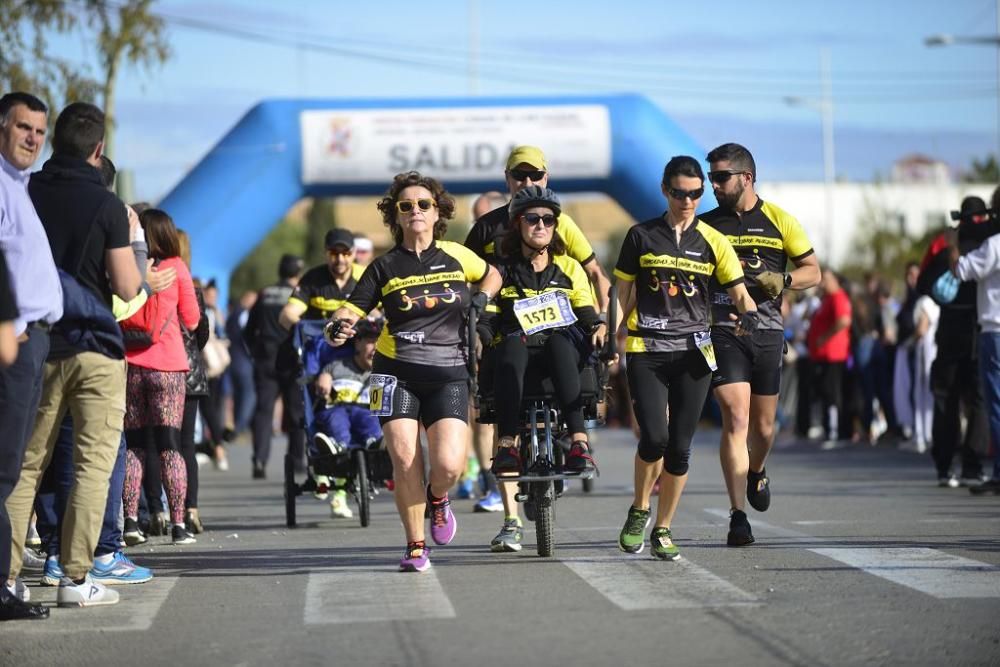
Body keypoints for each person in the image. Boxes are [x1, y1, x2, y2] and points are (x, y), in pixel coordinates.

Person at [326, 171, 500, 572]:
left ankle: (438, 499)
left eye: (423, 204)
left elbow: (493, 273)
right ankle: (415, 545)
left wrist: (483, 300)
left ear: (437, 211)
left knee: (449, 466)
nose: (415, 211)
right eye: (406, 206)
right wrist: (341, 325)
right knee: (404, 459)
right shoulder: (384, 267)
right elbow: (351, 308)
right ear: (396, 215)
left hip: (449, 371)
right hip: (393, 372)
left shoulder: (457, 255)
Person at [7, 101, 142, 609]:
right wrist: (132, 245)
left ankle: (9, 573)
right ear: (98, 149)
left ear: (53, 140)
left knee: (25, 463)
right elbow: (127, 284)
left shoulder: (26, 190)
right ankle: (76, 577)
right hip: (95, 348)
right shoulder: (106, 204)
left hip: (36, 342)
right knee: (92, 464)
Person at [614, 156, 758, 561]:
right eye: (680, 193)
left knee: (679, 447)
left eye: (696, 193)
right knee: (654, 438)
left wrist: (749, 314)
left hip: (695, 352)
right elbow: (621, 292)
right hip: (646, 349)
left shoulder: (714, 241)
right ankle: (640, 509)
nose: (689, 200)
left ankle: (663, 527)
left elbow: (739, 293)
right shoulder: (640, 236)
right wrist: (611, 333)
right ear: (665, 190)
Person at [465, 146, 612, 530]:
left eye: (548, 220)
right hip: (516, 345)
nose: (541, 226)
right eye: (532, 220)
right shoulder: (502, 266)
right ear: (518, 224)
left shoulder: (568, 267)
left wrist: (600, 326)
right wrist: (478, 332)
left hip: (558, 343)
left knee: (565, 342)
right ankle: (509, 445)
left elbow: (587, 303)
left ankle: (578, 441)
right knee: (509, 344)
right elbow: (489, 311)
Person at [701, 142, 820, 546]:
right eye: (711, 177)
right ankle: (738, 516)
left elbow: (813, 271)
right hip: (722, 330)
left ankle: (757, 469)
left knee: (764, 427)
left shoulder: (780, 220)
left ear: (746, 178)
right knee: (736, 417)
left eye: (721, 177)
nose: (713, 185)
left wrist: (784, 280)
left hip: (768, 332)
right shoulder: (706, 224)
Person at [0, 92, 62, 621]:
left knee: (11, 464)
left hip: (31, 339)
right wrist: (7, 325)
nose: (33, 140)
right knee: (4, 468)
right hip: (13, 341)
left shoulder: (20, 186)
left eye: (40, 132)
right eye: (24, 128)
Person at [122, 209, 201, 545]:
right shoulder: (177, 268)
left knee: (134, 447)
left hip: (131, 365)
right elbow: (193, 319)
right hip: (168, 368)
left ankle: (129, 522)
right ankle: (179, 524)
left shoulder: (130, 268)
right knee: (170, 447)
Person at [917, 197, 989, 486]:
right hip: (977, 329)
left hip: (949, 331)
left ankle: (945, 465)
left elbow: (922, 286)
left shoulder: (945, 250)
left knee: (946, 399)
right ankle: (972, 463)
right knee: (977, 400)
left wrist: (949, 247)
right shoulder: (988, 248)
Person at [278, 228, 360, 476]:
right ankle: (324, 439)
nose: (340, 259)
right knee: (314, 395)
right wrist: (309, 326)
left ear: (354, 254)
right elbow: (287, 315)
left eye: (345, 253)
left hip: (355, 351)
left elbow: (380, 311)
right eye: (334, 253)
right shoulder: (313, 279)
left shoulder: (365, 277)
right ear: (326, 254)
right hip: (321, 351)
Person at [951, 189, 1000, 496]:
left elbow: (962, 270)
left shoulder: (994, 245)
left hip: (994, 330)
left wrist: (952, 244)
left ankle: (998, 471)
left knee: (995, 404)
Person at [245, 253, 304, 479]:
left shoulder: (265, 293)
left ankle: (259, 460)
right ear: (297, 273)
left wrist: (256, 351)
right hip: (291, 359)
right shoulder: (298, 296)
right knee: (296, 410)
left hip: (265, 359)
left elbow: (249, 330)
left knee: (263, 411)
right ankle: (298, 460)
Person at [176, 229, 211, 533]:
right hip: (190, 374)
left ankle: (160, 510)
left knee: (154, 444)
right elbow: (202, 332)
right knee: (187, 445)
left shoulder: (153, 279)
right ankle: (191, 509)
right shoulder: (193, 287)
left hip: (153, 367)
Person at [807, 270, 853, 443]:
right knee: (824, 392)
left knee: (832, 392)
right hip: (822, 355)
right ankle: (827, 428)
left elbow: (843, 321)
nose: (822, 283)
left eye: (826, 280)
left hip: (834, 354)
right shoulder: (825, 299)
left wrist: (824, 337)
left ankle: (835, 430)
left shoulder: (838, 297)